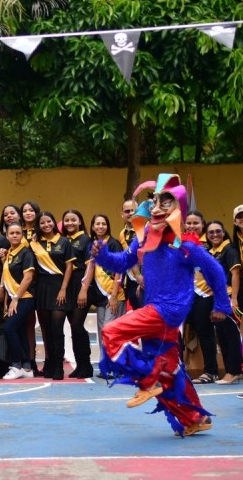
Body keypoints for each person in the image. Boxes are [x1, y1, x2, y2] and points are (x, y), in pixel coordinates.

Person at [94, 174, 231, 436]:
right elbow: (122, 262)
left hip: (167, 311)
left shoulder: (186, 245)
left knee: (111, 332)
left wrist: (222, 305)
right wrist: (101, 255)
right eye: (154, 201)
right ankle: (196, 418)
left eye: (165, 203)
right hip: (156, 309)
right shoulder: (145, 236)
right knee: (169, 370)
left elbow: (214, 270)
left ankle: (148, 380)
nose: (156, 209)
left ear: (178, 208)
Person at [31, 210, 74, 380]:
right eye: (42, 223)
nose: (46, 225)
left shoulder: (63, 241)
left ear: (54, 222)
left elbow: (69, 267)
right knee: (46, 330)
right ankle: (49, 364)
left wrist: (63, 288)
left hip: (59, 286)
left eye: (49, 221)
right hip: (42, 288)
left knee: (57, 329)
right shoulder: (34, 243)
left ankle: (58, 367)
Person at [203, 221, 242, 385]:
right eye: (211, 232)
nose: (215, 235)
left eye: (218, 231)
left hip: (228, 298)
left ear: (224, 232)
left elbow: (236, 274)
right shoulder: (210, 252)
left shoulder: (229, 250)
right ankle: (230, 371)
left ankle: (233, 371)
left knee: (231, 335)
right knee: (222, 335)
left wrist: (234, 299)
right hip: (218, 298)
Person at [85, 214, 126, 370]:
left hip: (114, 296)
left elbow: (119, 270)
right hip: (100, 297)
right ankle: (106, 365)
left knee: (112, 331)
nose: (100, 226)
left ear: (108, 226)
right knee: (103, 331)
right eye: (97, 224)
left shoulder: (114, 244)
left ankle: (116, 366)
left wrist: (114, 296)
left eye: (103, 223)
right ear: (93, 226)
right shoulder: (93, 245)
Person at [0, 223, 36, 379]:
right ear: (7, 236)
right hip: (15, 297)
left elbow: (28, 278)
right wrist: (8, 299)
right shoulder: (9, 253)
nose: (14, 235)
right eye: (11, 233)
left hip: (25, 297)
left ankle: (16, 365)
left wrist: (16, 298)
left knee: (9, 328)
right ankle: (27, 367)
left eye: (18, 233)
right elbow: (8, 278)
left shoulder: (26, 253)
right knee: (20, 330)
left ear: (22, 235)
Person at [183, 211, 219, 384]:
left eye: (195, 223)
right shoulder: (180, 243)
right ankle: (177, 369)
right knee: (177, 330)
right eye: (189, 223)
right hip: (185, 295)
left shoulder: (209, 243)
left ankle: (211, 371)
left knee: (204, 330)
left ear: (202, 224)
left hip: (205, 293)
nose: (192, 226)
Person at [62, 210, 93, 378]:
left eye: (73, 220)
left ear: (80, 222)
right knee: (74, 327)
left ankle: (86, 364)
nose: (70, 223)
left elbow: (90, 266)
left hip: (81, 284)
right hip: (67, 286)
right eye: (66, 220)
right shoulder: (62, 240)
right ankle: (80, 365)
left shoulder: (85, 239)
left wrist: (84, 289)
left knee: (77, 325)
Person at [119, 199, 143, 310]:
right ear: (122, 214)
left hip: (144, 278)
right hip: (130, 280)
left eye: (134, 210)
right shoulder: (122, 234)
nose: (130, 213)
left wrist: (140, 277)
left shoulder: (146, 229)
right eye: (127, 211)